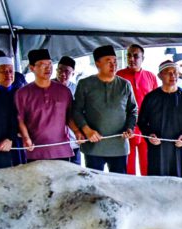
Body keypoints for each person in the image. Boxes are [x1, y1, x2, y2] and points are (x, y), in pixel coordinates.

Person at [74, 45, 137, 173]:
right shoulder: (85, 84)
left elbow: (133, 110)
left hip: (119, 146)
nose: (113, 65)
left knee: (119, 184)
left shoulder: (125, 85)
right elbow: (76, 110)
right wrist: (87, 130)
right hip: (93, 146)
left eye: (115, 61)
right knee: (95, 186)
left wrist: (129, 128)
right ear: (98, 64)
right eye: (108, 62)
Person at [15, 49, 80, 162]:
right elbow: (20, 119)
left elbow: (69, 117)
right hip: (35, 150)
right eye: (42, 65)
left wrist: (77, 132)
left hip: (61, 150)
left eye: (49, 64)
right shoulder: (23, 93)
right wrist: (26, 138)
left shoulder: (64, 91)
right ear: (32, 68)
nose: (48, 68)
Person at [137, 60, 182, 177]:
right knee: (157, 183)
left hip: (179, 149)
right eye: (168, 72)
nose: (172, 75)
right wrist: (150, 135)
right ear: (160, 76)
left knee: (178, 183)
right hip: (157, 149)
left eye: (175, 72)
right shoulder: (151, 98)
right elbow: (142, 122)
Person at [116, 44, 158, 176]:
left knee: (148, 165)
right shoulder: (119, 76)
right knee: (128, 166)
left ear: (142, 58)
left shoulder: (150, 76)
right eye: (129, 55)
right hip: (127, 127)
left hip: (146, 127)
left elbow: (156, 104)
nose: (132, 59)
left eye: (135, 56)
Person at [0, 49, 28, 166]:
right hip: (0, 141)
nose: (8, 75)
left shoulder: (21, 92)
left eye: (11, 71)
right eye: (3, 72)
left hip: (19, 138)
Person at [53, 56, 81, 165]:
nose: (63, 74)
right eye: (60, 70)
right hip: (54, 142)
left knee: (76, 172)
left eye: (67, 71)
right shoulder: (47, 87)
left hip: (74, 140)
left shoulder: (77, 89)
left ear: (73, 73)